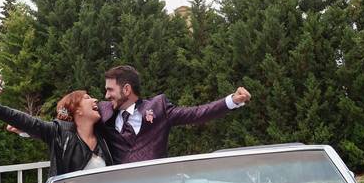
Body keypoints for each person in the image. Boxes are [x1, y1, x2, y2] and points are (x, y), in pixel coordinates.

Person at [100, 65, 252, 164]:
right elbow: (79, 112)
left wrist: (232, 101)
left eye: (110, 90)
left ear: (126, 89)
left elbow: (197, 113)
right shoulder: (102, 111)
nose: (106, 95)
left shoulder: (158, 108)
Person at [0, 90, 113, 176]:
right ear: (77, 110)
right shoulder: (58, 132)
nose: (95, 99)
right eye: (87, 98)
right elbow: (27, 121)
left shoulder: (105, 136)